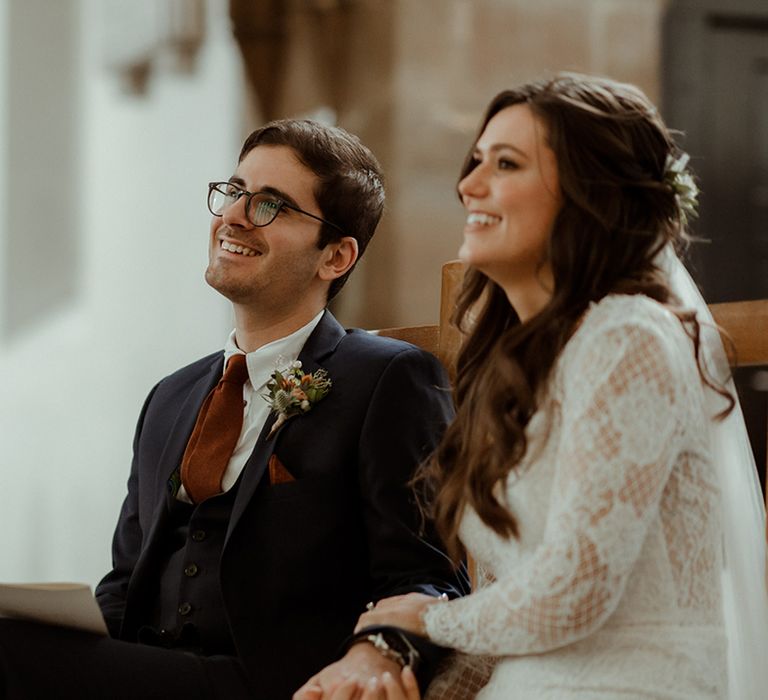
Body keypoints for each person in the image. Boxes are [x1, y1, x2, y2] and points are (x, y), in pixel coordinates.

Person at [304, 74, 768, 699]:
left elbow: (578, 591)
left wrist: (423, 618)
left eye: (507, 163)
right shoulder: (518, 369)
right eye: (475, 162)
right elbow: (508, 614)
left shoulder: (631, 338)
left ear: (589, 195)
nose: (469, 184)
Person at [0, 119, 463, 699]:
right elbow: (123, 585)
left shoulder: (387, 377)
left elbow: (430, 574)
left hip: (276, 682)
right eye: (235, 191)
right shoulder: (171, 397)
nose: (235, 215)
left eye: (271, 204)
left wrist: (378, 652)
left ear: (336, 257)